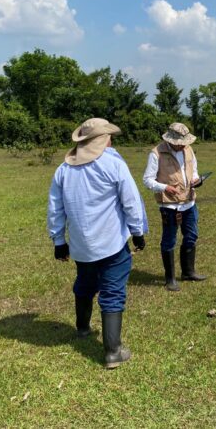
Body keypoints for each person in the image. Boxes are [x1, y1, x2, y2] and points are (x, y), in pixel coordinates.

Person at [47, 118, 148, 369]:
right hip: (113, 244)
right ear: (104, 140)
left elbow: (55, 209)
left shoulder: (63, 169)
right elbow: (131, 201)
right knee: (112, 292)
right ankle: (113, 351)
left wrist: (59, 240)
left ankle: (82, 329)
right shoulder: (113, 164)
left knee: (85, 284)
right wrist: (137, 231)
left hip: (81, 246)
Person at [143, 122, 206, 292]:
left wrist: (196, 179)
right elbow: (147, 180)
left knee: (191, 236)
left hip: (189, 202)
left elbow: (193, 170)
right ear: (170, 140)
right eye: (179, 143)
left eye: (184, 143)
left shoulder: (188, 150)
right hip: (169, 205)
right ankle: (170, 279)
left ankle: (188, 272)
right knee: (169, 240)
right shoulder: (156, 153)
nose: (182, 146)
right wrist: (164, 187)